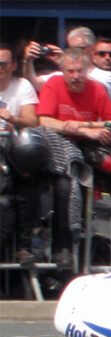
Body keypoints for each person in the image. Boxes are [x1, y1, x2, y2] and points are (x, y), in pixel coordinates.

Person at [36, 47, 111, 270]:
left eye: (79, 71)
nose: (75, 76)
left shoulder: (97, 89)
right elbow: (44, 121)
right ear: (62, 71)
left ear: (87, 70)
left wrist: (85, 126)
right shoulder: (53, 85)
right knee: (65, 188)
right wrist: (78, 130)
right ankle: (62, 248)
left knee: (79, 192)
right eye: (70, 71)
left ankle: (79, 254)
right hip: (55, 153)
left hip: (87, 154)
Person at [0, 42, 43, 267]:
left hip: (17, 152)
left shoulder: (22, 85)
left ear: (13, 65)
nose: (0, 68)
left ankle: (24, 247)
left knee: (27, 192)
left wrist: (12, 119)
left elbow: (32, 120)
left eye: (3, 63)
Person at [23, 26, 111, 102]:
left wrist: (66, 65)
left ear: (92, 49)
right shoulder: (62, 73)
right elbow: (34, 83)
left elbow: (103, 92)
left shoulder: (106, 76)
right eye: (71, 49)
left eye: (79, 48)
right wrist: (28, 61)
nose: (75, 52)